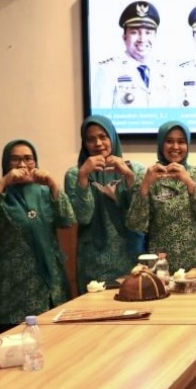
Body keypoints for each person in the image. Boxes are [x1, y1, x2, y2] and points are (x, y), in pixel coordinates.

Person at [0, 140, 75, 338]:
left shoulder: (46, 193)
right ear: (6, 163)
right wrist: (2, 183)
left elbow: (68, 220)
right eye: (15, 159)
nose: (22, 165)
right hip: (12, 287)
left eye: (28, 159)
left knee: (56, 345)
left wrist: (53, 183)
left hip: (50, 285)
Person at [126, 121, 196, 272]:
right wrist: (145, 185)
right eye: (169, 141)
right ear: (161, 143)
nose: (175, 147)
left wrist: (189, 183)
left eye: (181, 141)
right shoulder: (148, 176)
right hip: (162, 266)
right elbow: (135, 225)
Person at [64, 115, 146, 292]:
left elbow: (141, 215)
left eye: (103, 136)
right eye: (90, 139)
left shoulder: (136, 169)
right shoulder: (75, 174)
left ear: (112, 137)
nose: (98, 143)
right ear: (84, 143)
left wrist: (128, 176)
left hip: (131, 256)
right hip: (94, 261)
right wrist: (83, 177)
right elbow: (83, 217)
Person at [91, 0, 171, 109]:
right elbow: (99, 117)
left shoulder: (166, 70)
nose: (142, 39)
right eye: (134, 32)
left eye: (148, 33)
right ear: (124, 37)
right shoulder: (107, 71)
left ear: (155, 36)